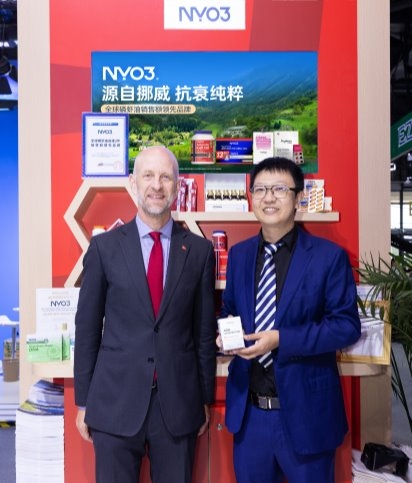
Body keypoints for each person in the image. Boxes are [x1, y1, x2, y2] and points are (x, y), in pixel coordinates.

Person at [74, 145, 217, 483]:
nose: (156, 185)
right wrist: (84, 402)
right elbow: (88, 328)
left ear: (177, 186)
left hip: (178, 406)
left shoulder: (199, 251)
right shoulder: (104, 248)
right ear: (133, 183)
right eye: (148, 175)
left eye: (166, 177)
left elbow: (203, 334)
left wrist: (204, 398)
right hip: (114, 404)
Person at [217, 157, 361, 483]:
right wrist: (225, 335)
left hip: (307, 415)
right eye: (260, 189)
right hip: (250, 416)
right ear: (251, 197)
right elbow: (230, 310)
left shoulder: (328, 257)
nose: (269, 197)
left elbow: (346, 326)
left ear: (298, 198)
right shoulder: (239, 256)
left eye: (280, 189)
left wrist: (281, 339)